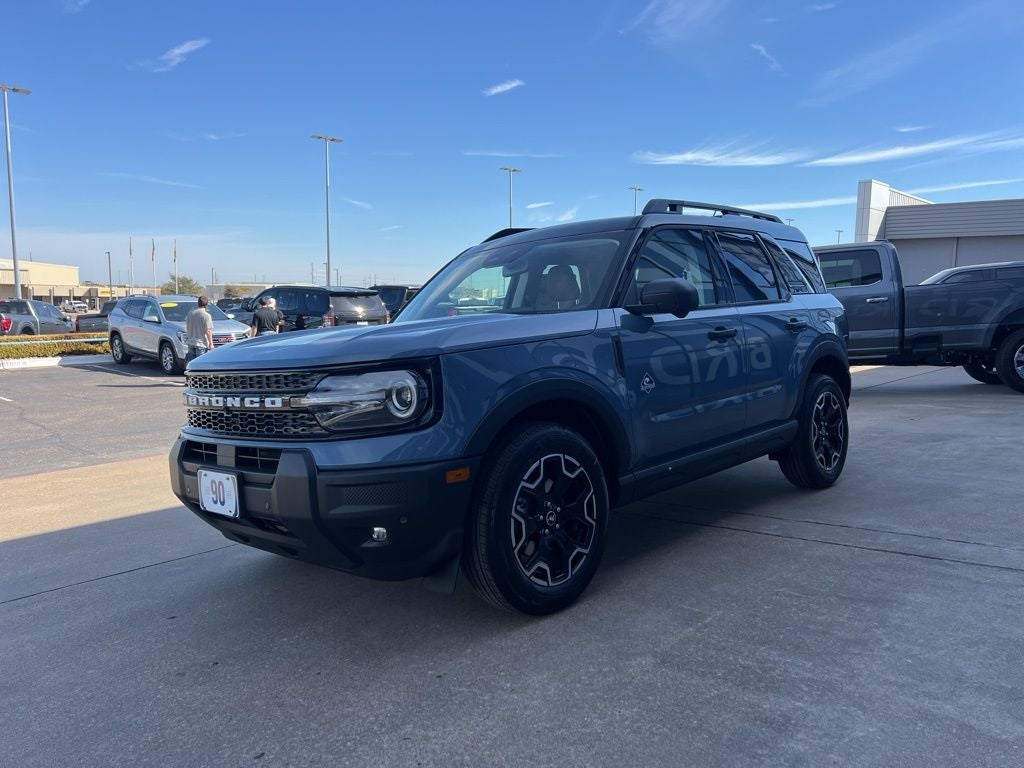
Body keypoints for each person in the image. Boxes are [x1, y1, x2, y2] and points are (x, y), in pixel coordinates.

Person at [184, 296, 215, 362]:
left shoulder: (190, 314)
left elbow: (187, 326)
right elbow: (208, 331)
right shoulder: (206, 316)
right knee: (200, 364)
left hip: (191, 343)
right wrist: (211, 343)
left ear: (198, 303)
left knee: (192, 364)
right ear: (206, 304)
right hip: (201, 344)